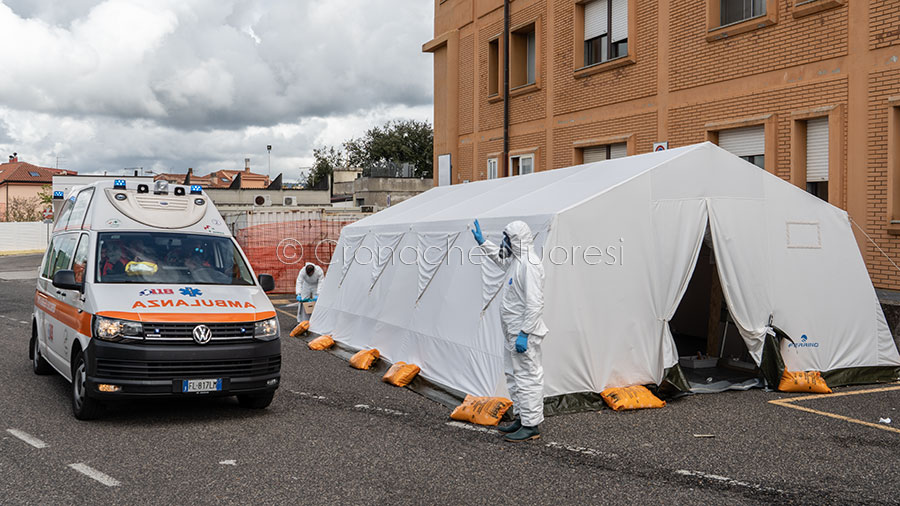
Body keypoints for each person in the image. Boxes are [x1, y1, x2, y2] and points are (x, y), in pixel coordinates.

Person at [472, 219, 549, 442]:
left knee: (528, 378)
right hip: (513, 333)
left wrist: (525, 332)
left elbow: (535, 303)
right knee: (514, 376)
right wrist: (482, 242)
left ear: (517, 241)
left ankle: (531, 425)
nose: (503, 242)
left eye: (506, 239)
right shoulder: (517, 260)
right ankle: (522, 417)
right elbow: (499, 259)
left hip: (523, 334)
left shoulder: (530, 265)